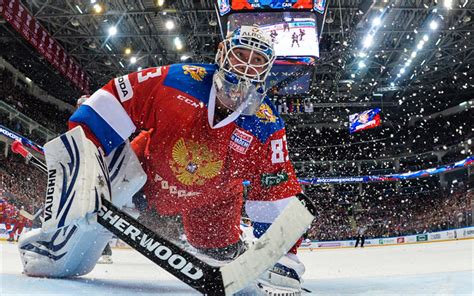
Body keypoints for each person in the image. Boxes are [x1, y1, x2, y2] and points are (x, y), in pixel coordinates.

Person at [18, 25, 306, 293]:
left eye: (256, 60)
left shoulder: (267, 124)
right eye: (240, 55)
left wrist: (281, 252)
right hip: (146, 178)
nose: (245, 66)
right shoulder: (178, 80)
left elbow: (274, 188)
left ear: (266, 70)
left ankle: (226, 247)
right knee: (56, 258)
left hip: (214, 201)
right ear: (223, 54)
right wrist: (86, 156)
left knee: (219, 251)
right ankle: (60, 231)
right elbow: (112, 100)